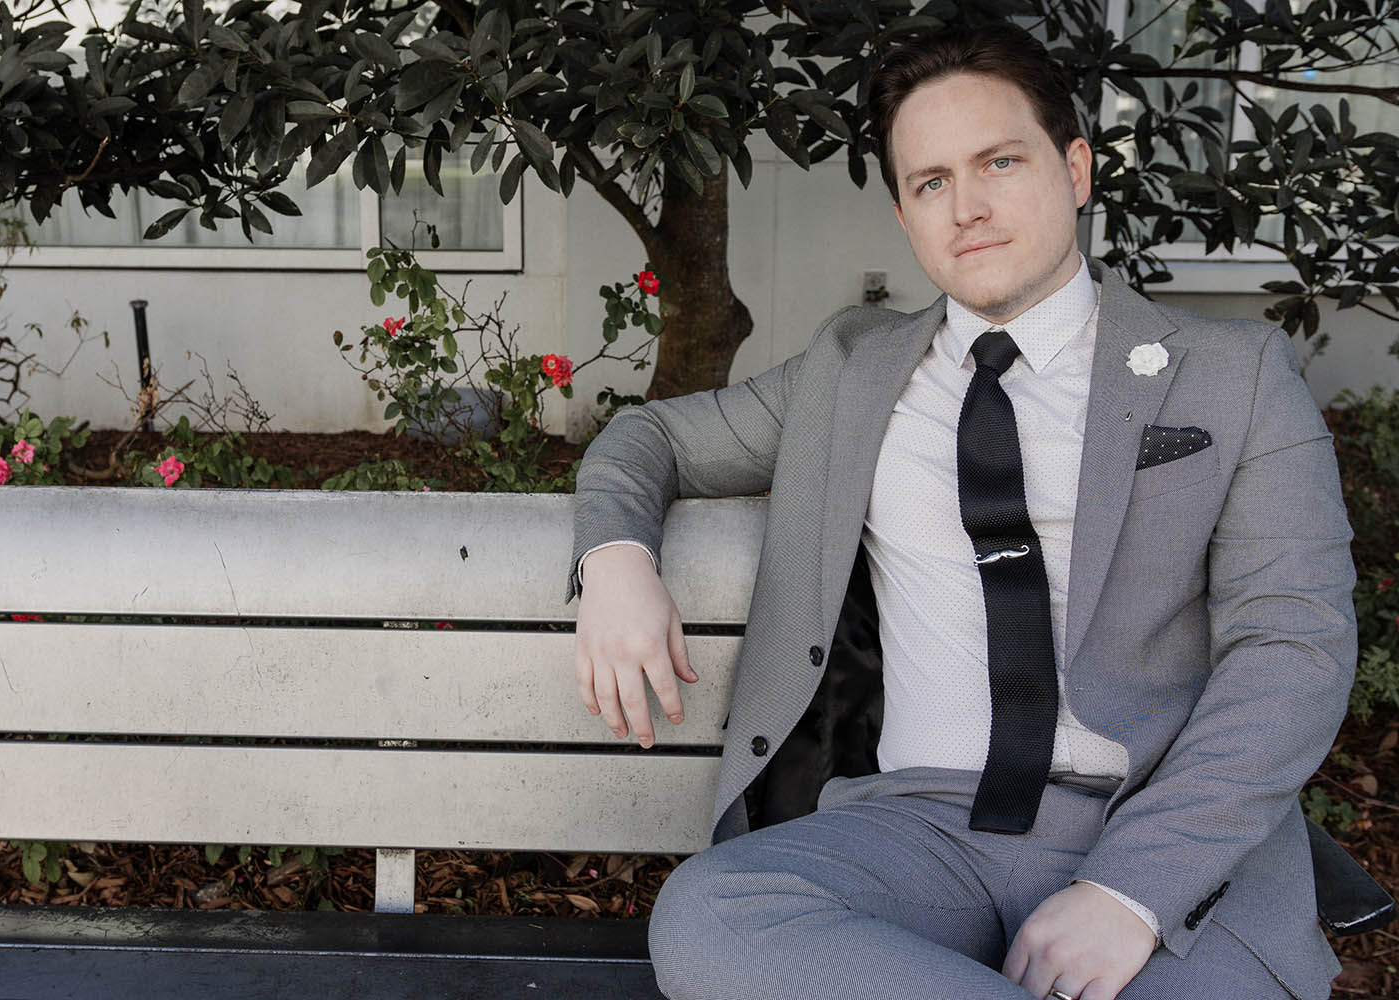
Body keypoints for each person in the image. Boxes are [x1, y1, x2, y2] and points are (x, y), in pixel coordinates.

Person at [564, 22, 1356, 1000]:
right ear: (904, 214)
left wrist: (1131, 892)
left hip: (1163, 830)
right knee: (713, 919)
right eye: (931, 182)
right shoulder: (851, 371)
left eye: (999, 162)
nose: (968, 207)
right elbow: (651, 439)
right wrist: (614, 561)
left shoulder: (1234, 378)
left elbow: (1295, 648)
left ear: (1075, 169)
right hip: (918, 830)